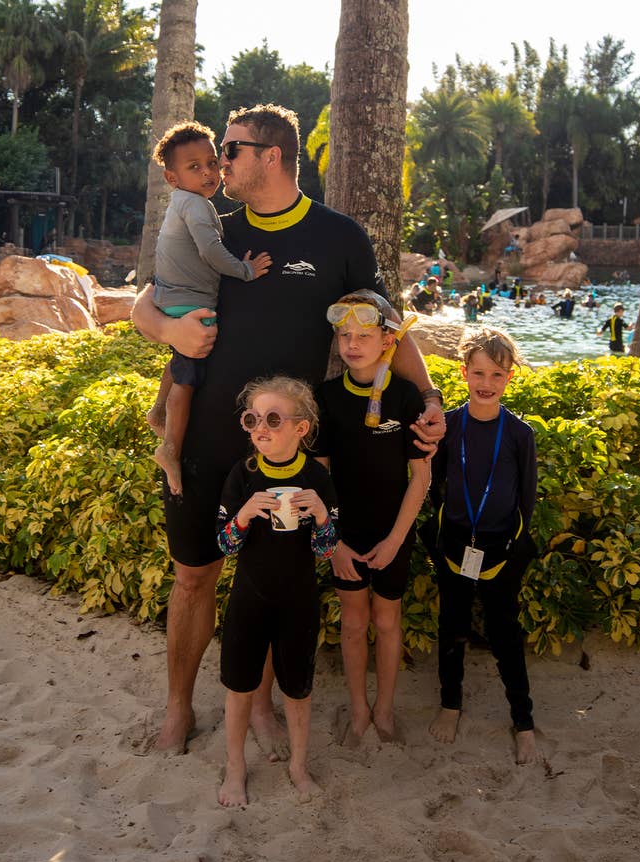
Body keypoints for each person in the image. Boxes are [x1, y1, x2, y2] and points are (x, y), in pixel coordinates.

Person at [130, 103, 445, 755]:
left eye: (232, 148)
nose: (221, 159)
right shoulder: (209, 223)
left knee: (268, 576)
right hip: (205, 439)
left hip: (284, 447)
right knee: (194, 577)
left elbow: (386, 323)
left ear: (270, 156)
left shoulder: (338, 239)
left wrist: (431, 393)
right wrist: (169, 330)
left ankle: (264, 706)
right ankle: (178, 710)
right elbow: (145, 299)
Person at [314, 291, 431, 746]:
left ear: (389, 341)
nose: (352, 344)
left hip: (392, 532)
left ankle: (384, 707)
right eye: (344, 336)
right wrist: (333, 543)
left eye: (364, 335)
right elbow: (320, 480)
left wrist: (396, 541)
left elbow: (419, 478)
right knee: (354, 622)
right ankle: (359, 708)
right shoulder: (326, 398)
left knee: (386, 621)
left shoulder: (406, 399)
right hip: (346, 533)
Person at [216, 376, 337, 805]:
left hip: (298, 600)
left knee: (298, 689)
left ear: (301, 428)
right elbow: (224, 544)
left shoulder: (315, 477)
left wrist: (322, 516)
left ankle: (299, 766)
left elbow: (326, 550)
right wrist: (244, 515)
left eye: (272, 418)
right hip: (250, 596)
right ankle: (235, 767)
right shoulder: (242, 475)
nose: (260, 429)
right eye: (252, 419)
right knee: (240, 685)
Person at [422, 326, 539, 764]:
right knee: (451, 626)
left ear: (510, 377)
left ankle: (523, 720)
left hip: (500, 549)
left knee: (505, 633)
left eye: (497, 375)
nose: (486, 384)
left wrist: (514, 550)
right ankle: (450, 704)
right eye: (479, 373)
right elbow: (433, 486)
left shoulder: (519, 434)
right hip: (454, 542)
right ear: (464, 372)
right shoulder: (448, 425)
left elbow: (526, 499)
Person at [145, 121, 272, 496]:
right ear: (172, 177)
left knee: (180, 358)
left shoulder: (182, 203)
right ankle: (169, 447)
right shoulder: (197, 206)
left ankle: (155, 409)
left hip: (172, 297)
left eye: (211, 163)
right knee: (188, 377)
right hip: (191, 304)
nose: (208, 173)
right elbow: (211, 251)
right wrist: (246, 270)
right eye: (193, 167)